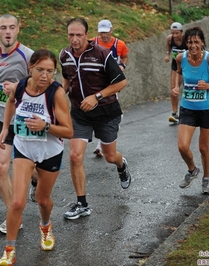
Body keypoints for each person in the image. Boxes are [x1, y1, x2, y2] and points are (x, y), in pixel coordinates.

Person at [0, 49, 73, 265]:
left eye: (50, 71)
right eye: (40, 70)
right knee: (18, 202)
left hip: (50, 152)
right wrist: (5, 129)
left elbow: (68, 131)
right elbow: (10, 102)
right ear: (30, 68)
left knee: (42, 199)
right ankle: (9, 250)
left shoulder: (55, 93)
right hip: (24, 149)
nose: (44, 76)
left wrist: (45, 126)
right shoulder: (21, 86)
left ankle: (46, 226)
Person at [59, 17, 131, 220]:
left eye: (78, 35)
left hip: (106, 113)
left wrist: (96, 96)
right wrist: (55, 98)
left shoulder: (102, 54)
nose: (74, 39)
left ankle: (121, 165)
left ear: (86, 35)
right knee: (75, 156)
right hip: (79, 114)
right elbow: (67, 78)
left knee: (109, 156)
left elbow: (121, 82)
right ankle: (82, 204)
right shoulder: (64, 55)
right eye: (71, 35)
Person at [0, 14, 35, 235]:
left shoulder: (28, 55)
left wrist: (19, 88)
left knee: (35, 171)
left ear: (18, 29)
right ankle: (14, 217)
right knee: (0, 167)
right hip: (0, 119)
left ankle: (36, 181)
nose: (8, 32)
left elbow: (42, 83)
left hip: (25, 121)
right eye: (3, 28)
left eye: (12, 27)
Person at [172, 27, 209, 195]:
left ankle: (206, 178)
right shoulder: (181, 58)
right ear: (186, 43)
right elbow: (179, 73)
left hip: (207, 108)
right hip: (188, 107)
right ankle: (193, 170)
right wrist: (175, 86)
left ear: (202, 42)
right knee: (182, 146)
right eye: (189, 42)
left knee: (203, 148)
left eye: (196, 42)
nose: (193, 45)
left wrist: (207, 86)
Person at [89, 19, 129, 157]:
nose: (103, 35)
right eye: (101, 33)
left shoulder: (120, 44)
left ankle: (102, 144)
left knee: (110, 111)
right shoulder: (91, 43)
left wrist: (122, 66)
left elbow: (124, 57)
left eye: (106, 33)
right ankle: (101, 140)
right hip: (95, 82)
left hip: (112, 82)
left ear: (111, 30)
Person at [164, 22, 187, 124]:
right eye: (173, 33)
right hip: (175, 66)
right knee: (173, 89)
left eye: (177, 33)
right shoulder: (170, 39)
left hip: (187, 66)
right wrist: (168, 55)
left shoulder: (187, 39)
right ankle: (174, 113)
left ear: (181, 32)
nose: (175, 36)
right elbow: (168, 47)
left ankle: (189, 111)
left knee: (188, 89)